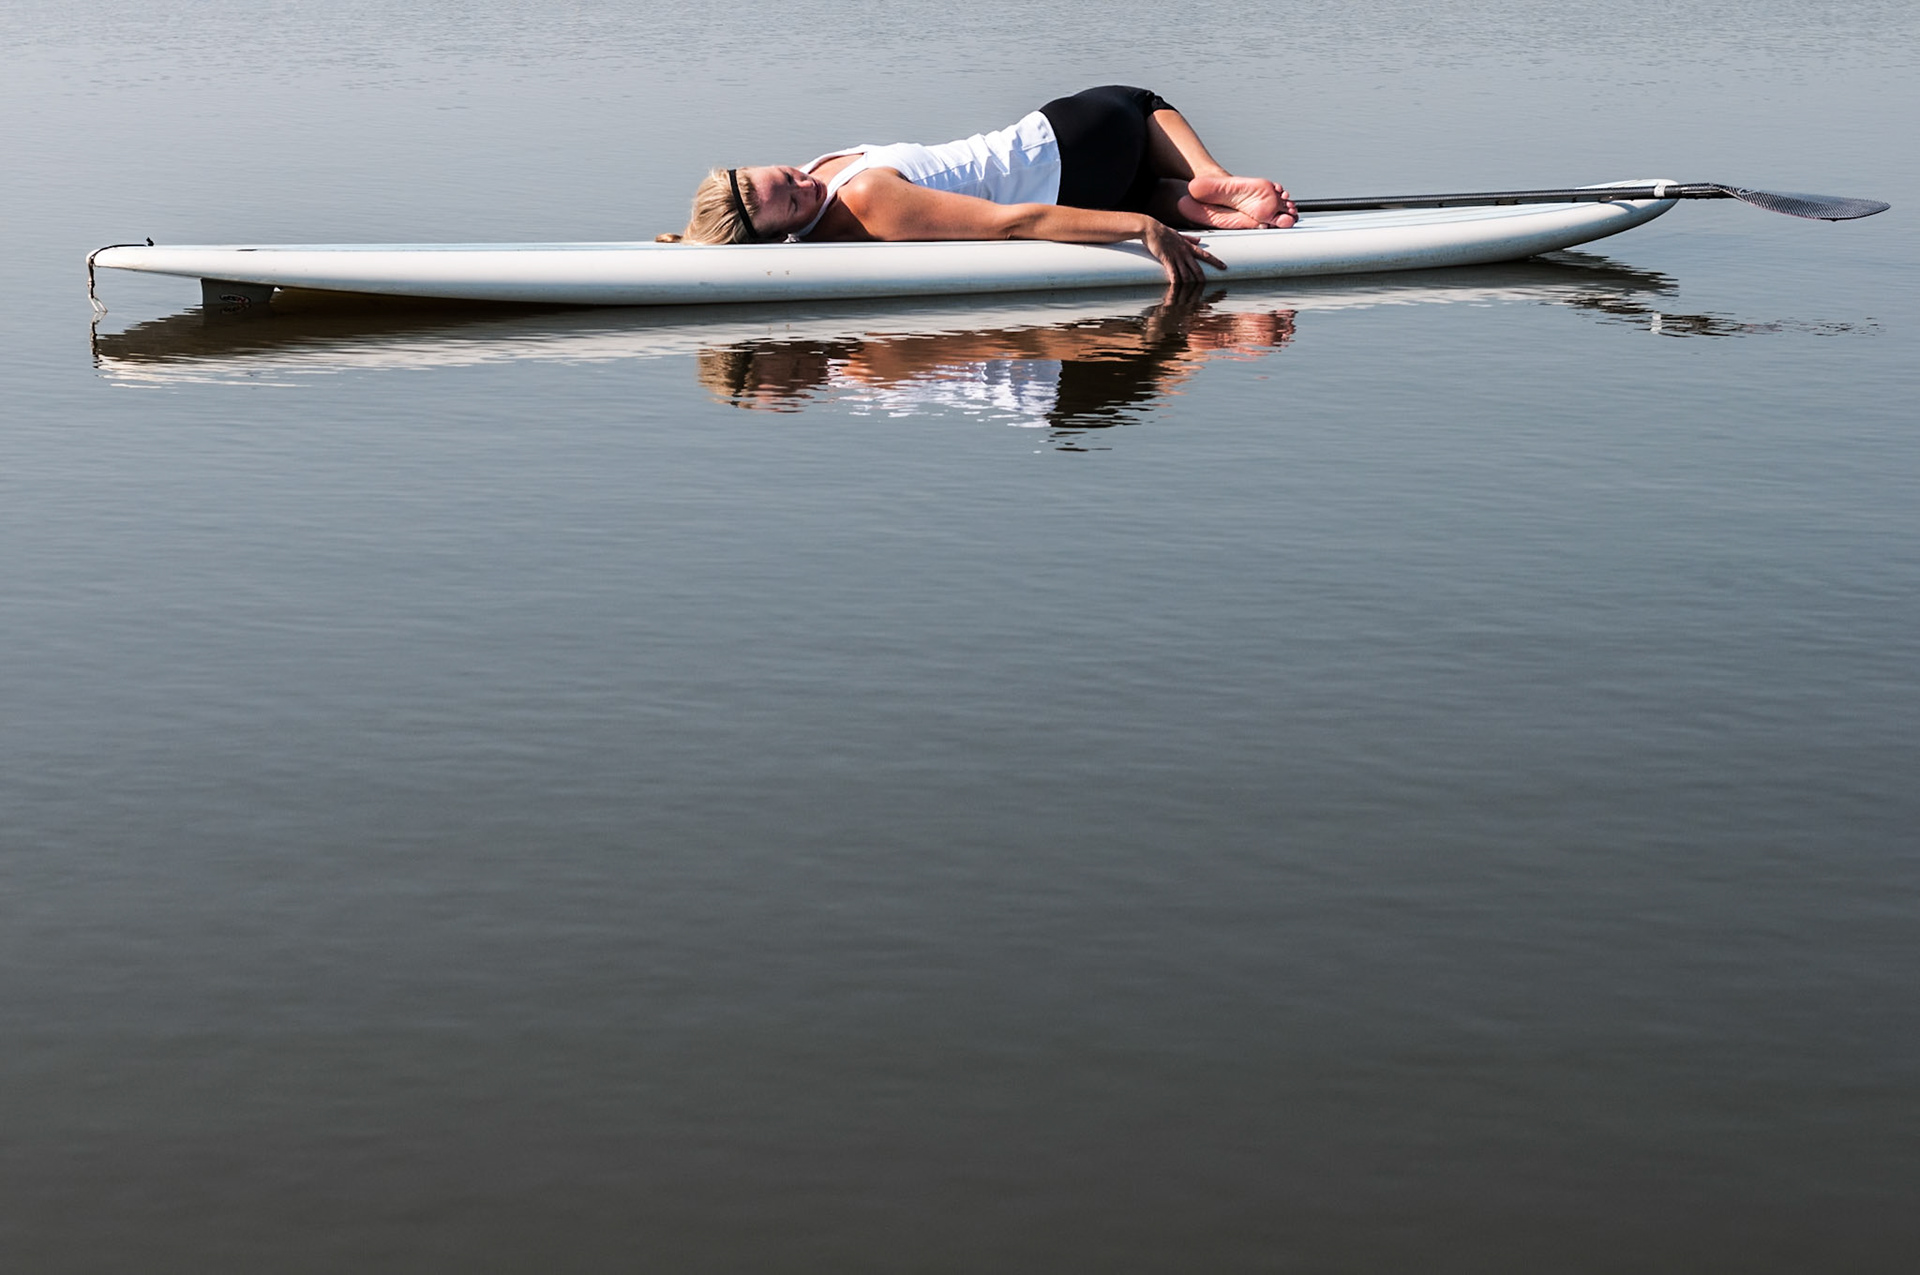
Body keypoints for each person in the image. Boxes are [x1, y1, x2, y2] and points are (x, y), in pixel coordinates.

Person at [658, 86, 1295, 284]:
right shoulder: (840, 177)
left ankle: (1190, 192)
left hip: (1077, 156)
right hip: (1078, 147)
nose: (804, 183)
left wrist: (1143, 233)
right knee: (1140, 106)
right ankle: (1192, 190)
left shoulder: (856, 199)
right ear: (778, 237)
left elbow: (1013, 223)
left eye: (788, 175)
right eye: (793, 202)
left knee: (1136, 115)